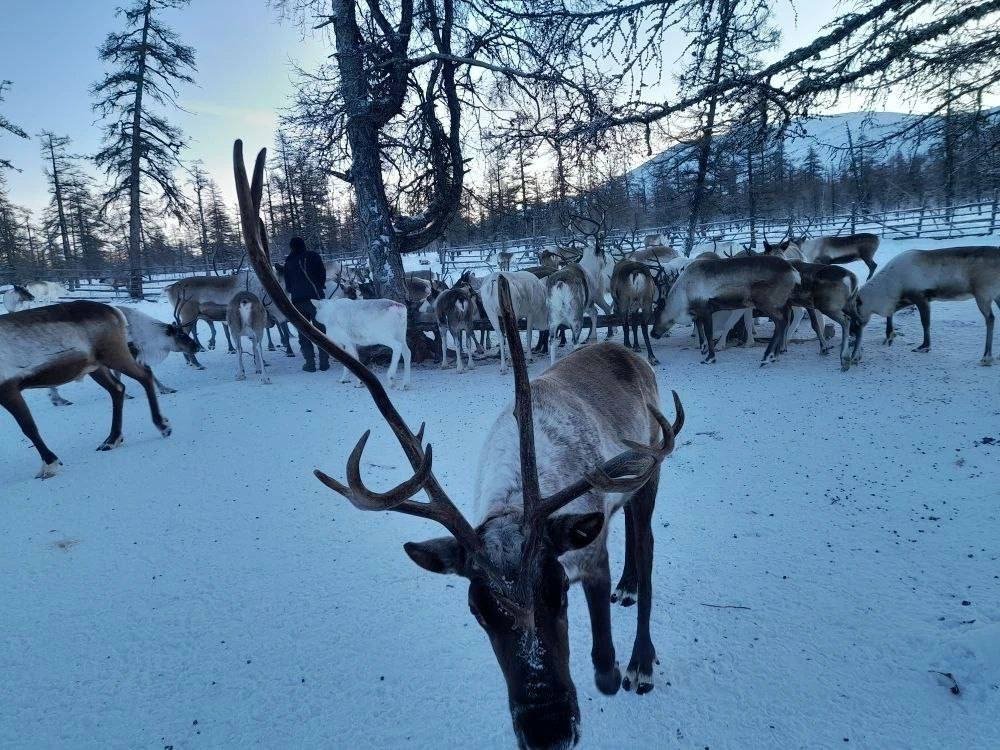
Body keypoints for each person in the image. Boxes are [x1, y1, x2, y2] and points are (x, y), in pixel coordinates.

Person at [283, 236, 330, 372]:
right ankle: (324, 362)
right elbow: (322, 273)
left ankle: (309, 363)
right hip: (316, 300)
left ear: (291, 247)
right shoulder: (313, 256)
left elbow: (288, 286)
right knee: (321, 331)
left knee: (303, 333)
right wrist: (319, 287)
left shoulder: (288, 262)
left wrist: (296, 291)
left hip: (298, 302)